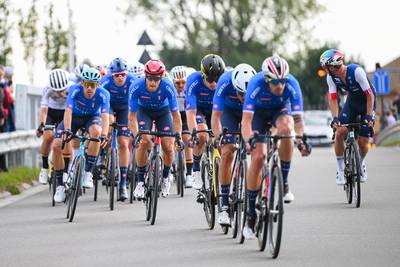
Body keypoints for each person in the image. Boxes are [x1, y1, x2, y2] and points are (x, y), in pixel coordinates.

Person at [241, 55, 309, 239]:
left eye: (283, 81)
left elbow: (298, 120)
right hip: (258, 116)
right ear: (266, 79)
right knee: (258, 157)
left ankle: (284, 182)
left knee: (287, 129)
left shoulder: (292, 84)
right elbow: (246, 121)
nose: (280, 86)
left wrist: (301, 140)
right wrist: (249, 140)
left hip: (280, 112)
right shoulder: (255, 85)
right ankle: (250, 214)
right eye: (275, 82)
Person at [52, 67, 110, 203]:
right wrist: (67, 129)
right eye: (86, 84)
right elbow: (68, 112)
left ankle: (88, 173)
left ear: (98, 85)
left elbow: (105, 116)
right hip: (75, 119)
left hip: (92, 118)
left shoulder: (104, 94)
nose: (89, 88)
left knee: (96, 131)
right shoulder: (75, 89)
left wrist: (104, 134)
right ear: (82, 83)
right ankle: (60, 185)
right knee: (56, 145)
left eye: (93, 85)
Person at [320, 49, 376, 186]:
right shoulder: (331, 77)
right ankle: (340, 169)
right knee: (339, 132)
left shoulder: (356, 71)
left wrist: (369, 116)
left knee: (363, 142)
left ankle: (361, 163)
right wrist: (335, 118)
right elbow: (333, 99)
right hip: (352, 103)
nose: (326, 70)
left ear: (332, 65)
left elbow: (370, 96)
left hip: (367, 103)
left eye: (326, 67)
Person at [129, 59, 182, 198]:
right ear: (145, 77)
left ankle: (165, 178)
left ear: (161, 78)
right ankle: (140, 182)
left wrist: (178, 136)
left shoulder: (168, 86)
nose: (152, 82)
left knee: (168, 146)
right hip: (143, 111)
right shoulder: (136, 86)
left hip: (163, 112)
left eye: (156, 79)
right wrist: (136, 136)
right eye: (150, 78)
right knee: (144, 141)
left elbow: (176, 116)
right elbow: (132, 117)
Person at [211, 63, 256, 226]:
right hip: (228, 113)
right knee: (227, 151)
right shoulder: (224, 81)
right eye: (239, 93)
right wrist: (218, 138)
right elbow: (216, 117)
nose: (243, 97)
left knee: (258, 150)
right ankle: (223, 204)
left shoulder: (256, 83)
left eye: (246, 94)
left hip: (249, 113)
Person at [185, 54, 225, 190]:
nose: (213, 83)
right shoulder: (193, 81)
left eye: (217, 79)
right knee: (202, 135)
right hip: (199, 111)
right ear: (203, 75)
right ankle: (195, 170)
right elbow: (190, 112)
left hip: (217, 111)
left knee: (226, 142)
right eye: (210, 79)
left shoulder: (224, 82)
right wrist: (194, 134)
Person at [100, 57, 136, 200]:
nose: (120, 77)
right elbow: (100, 102)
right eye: (117, 75)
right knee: (109, 123)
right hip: (109, 107)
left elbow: (136, 102)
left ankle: (122, 184)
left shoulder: (132, 81)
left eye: (123, 74)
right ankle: (105, 152)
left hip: (125, 109)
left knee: (123, 142)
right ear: (112, 75)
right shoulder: (105, 82)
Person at [37, 69, 71, 184]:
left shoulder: (72, 86)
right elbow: (44, 109)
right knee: (48, 136)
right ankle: (45, 167)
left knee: (67, 138)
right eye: (57, 91)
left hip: (65, 112)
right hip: (51, 112)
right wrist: (41, 125)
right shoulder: (47, 88)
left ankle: (66, 170)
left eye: (62, 90)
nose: (61, 93)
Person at [170, 65, 194, 187]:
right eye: (177, 83)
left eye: (183, 82)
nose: (180, 86)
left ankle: (189, 174)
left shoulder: (189, 89)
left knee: (186, 139)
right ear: (173, 82)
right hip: (172, 115)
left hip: (185, 115)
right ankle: (169, 168)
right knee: (169, 140)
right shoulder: (170, 88)